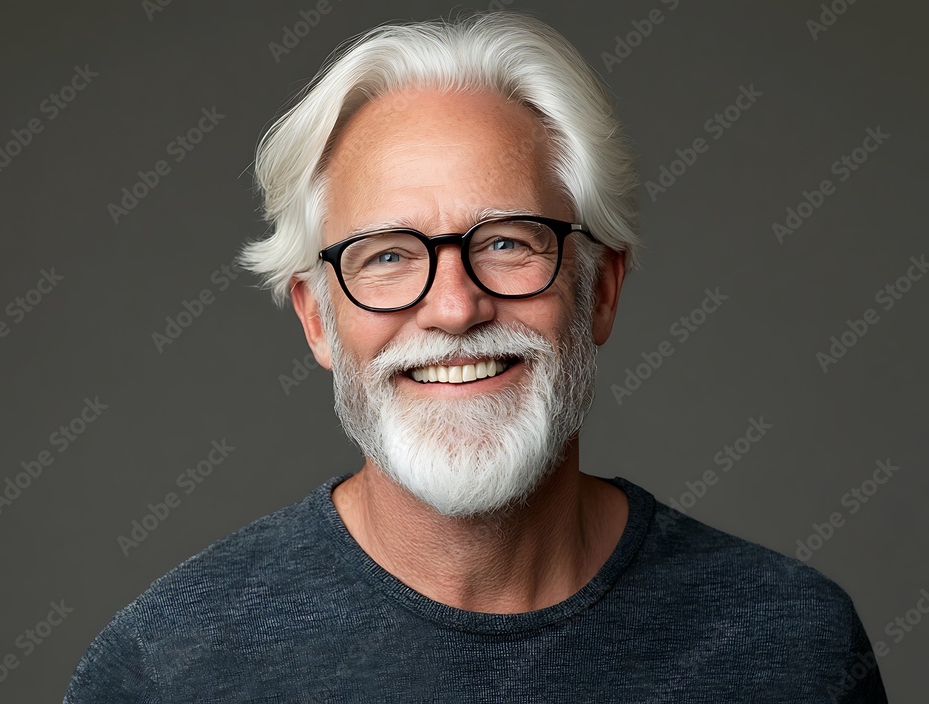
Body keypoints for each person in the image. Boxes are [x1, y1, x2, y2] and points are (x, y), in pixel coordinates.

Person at [64, 12, 889, 702]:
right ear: (317, 320)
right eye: (386, 256)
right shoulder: (168, 669)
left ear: (599, 287)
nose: (455, 308)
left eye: (506, 242)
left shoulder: (792, 648)